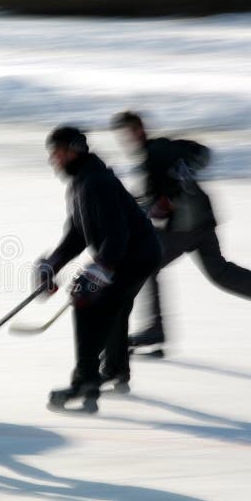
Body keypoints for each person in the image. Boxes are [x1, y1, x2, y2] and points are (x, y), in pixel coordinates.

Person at [110, 111, 251, 350]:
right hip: (202, 220)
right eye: (122, 136)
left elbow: (184, 174)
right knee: (221, 274)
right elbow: (199, 156)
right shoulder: (161, 150)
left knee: (145, 264)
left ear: (138, 129)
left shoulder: (157, 151)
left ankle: (155, 329)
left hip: (184, 226)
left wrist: (173, 188)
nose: (125, 140)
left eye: (127, 133)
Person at [37, 126, 161, 412]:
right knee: (111, 307)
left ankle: (86, 381)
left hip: (134, 256)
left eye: (57, 153)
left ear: (73, 151)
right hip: (133, 255)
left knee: (88, 304)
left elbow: (116, 238)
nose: (54, 159)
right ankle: (115, 369)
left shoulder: (95, 182)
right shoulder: (81, 182)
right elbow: (77, 235)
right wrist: (52, 264)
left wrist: (96, 274)